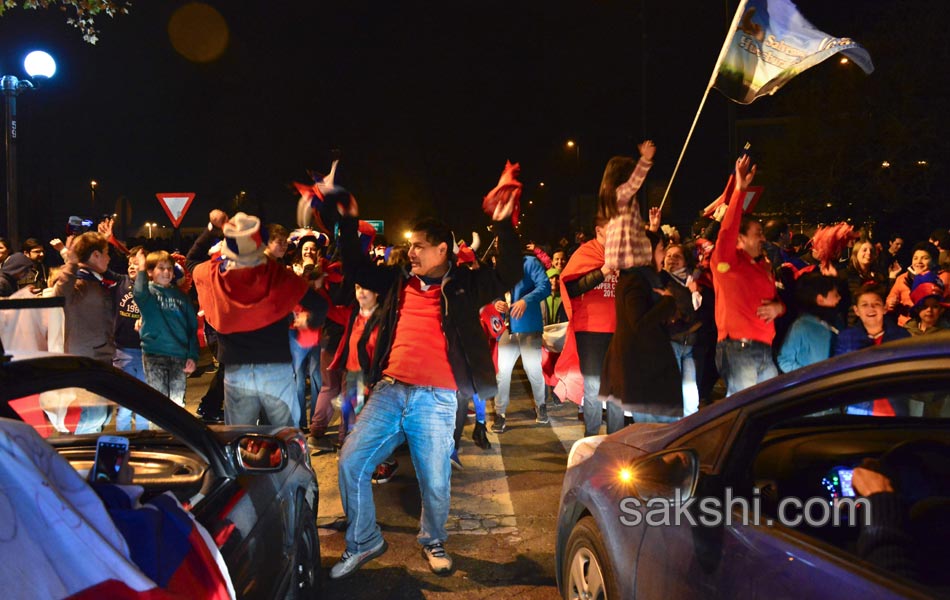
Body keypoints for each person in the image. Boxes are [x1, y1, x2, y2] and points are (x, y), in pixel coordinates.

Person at [330, 181, 522, 579]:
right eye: (410, 245)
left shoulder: (467, 284)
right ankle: (364, 540)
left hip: (436, 399)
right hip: (389, 390)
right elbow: (356, 267)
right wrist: (347, 220)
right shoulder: (399, 280)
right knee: (350, 462)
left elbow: (509, 270)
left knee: (434, 481)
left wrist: (503, 225)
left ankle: (433, 540)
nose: (410, 251)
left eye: (419, 245)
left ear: (442, 250)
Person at [187, 210, 328, 427]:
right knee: (286, 435)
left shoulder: (213, 274)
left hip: (236, 372)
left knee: (240, 437)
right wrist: (306, 325)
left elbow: (192, 261)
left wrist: (213, 228)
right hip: (276, 369)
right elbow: (319, 305)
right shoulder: (278, 275)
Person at [561, 141, 653, 436]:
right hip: (591, 332)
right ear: (599, 231)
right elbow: (572, 287)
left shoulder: (624, 252)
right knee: (593, 387)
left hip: (619, 330)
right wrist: (602, 272)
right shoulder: (586, 253)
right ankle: (590, 438)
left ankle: (615, 439)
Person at [711, 155, 784, 396]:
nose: (763, 238)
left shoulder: (763, 266)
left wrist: (778, 309)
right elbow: (727, 229)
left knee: (766, 409)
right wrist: (740, 190)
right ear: (740, 239)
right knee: (742, 411)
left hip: (765, 350)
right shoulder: (726, 261)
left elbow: (776, 302)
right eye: (758, 233)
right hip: (738, 348)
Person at [490, 249, 551, 432]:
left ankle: (541, 406)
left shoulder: (530, 262)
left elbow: (545, 286)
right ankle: (500, 414)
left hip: (529, 326)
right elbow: (494, 293)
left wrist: (526, 300)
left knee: (533, 370)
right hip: (507, 329)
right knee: (502, 373)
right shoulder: (499, 268)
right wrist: (496, 303)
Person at [133, 250, 199, 411]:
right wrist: (141, 268)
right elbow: (139, 293)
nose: (166, 272)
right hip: (154, 354)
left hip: (179, 355)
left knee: (177, 402)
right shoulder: (148, 292)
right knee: (157, 403)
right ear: (150, 272)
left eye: (169, 268)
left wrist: (193, 355)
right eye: (161, 268)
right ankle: (158, 434)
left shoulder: (181, 297)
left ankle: (177, 435)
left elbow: (192, 328)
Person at [662, 243, 703, 417]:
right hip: (672, 341)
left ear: (686, 261)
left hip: (690, 344)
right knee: (673, 389)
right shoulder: (663, 281)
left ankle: (689, 424)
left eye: (676, 256)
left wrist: (694, 291)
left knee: (690, 388)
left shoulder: (693, 281)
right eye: (668, 255)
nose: (671, 259)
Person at [113, 246, 149, 431]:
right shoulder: (121, 281)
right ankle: (124, 439)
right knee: (125, 402)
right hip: (123, 350)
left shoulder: (150, 286)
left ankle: (144, 439)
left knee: (145, 400)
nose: (132, 267)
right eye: (130, 264)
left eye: (137, 263)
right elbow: (105, 267)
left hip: (146, 352)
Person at [776, 273, 841, 373]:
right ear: (820, 299)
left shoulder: (836, 322)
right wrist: (809, 375)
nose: (839, 298)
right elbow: (784, 360)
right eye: (835, 295)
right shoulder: (801, 326)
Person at [886, 242, 950, 326]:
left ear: (934, 261)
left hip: (934, 325)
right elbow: (890, 299)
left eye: (925, 258)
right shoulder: (902, 278)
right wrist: (891, 302)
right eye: (915, 258)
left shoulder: (943, 278)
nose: (919, 261)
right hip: (907, 325)